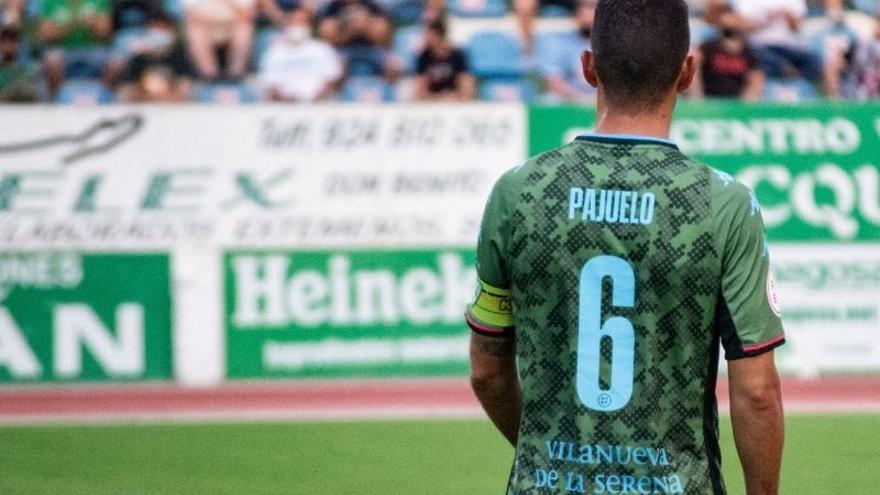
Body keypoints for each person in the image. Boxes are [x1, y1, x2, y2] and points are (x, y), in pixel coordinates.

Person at [466, 1, 785, 494]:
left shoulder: (517, 192)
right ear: (687, 72)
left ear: (589, 67)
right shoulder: (724, 204)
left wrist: (546, 455)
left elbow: (487, 372)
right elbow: (758, 392)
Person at [38, 0, 126, 98]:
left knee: (117, 63)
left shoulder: (99, 1)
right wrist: (71, 23)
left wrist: (92, 23)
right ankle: (58, 100)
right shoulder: (51, 2)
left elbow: (105, 32)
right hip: (64, 50)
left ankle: (104, 99)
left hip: (94, 50)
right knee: (51, 60)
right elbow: (46, 34)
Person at [258, 9, 342, 101]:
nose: (297, 26)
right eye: (294, 22)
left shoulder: (322, 49)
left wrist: (316, 98)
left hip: (319, 105)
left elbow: (333, 78)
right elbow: (270, 85)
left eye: (301, 22)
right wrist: (286, 101)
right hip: (284, 107)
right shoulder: (274, 53)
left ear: (309, 26)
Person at [693, 6, 764, 100]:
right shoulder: (708, 48)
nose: (729, 24)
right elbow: (695, 67)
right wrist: (697, 98)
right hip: (710, 100)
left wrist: (747, 104)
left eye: (732, 21)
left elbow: (756, 77)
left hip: (737, 104)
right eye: (724, 23)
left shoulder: (748, 51)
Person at [538, 0, 597, 103]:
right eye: (584, 9)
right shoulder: (561, 42)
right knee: (548, 100)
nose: (587, 14)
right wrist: (581, 99)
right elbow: (553, 80)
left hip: (603, 101)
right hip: (569, 99)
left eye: (591, 9)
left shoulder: (610, 44)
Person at [182, 0, 256, 81]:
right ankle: (209, 77)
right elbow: (192, 15)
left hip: (232, 28)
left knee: (244, 27)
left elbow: (246, 14)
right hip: (206, 28)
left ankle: (236, 77)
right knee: (195, 29)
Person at [414, 20, 474, 101]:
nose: (425, 38)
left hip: (456, 103)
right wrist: (439, 98)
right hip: (431, 105)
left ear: (439, 35)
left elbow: (467, 88)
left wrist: (453, 97)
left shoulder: (458, 55)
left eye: (428, 35)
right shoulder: (423, 57)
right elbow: (419, 91)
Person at [0, 25, 38, 102]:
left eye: (13, 41)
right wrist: (14, 91)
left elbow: (32, 96)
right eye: (5, 41)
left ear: (19, 45)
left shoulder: (27, 72)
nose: (9, 45)